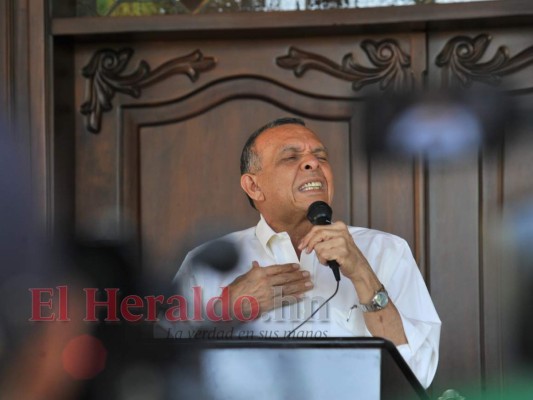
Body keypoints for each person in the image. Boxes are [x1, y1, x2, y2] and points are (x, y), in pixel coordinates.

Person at [166, 117, 441, 389]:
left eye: (320, 156)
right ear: (253, 186)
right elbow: (165, 372)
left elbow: (419, 373)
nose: (314, 163)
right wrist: (226, 310)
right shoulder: (208, 262)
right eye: (290, 157)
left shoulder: (386, 250)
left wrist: (362, 274)